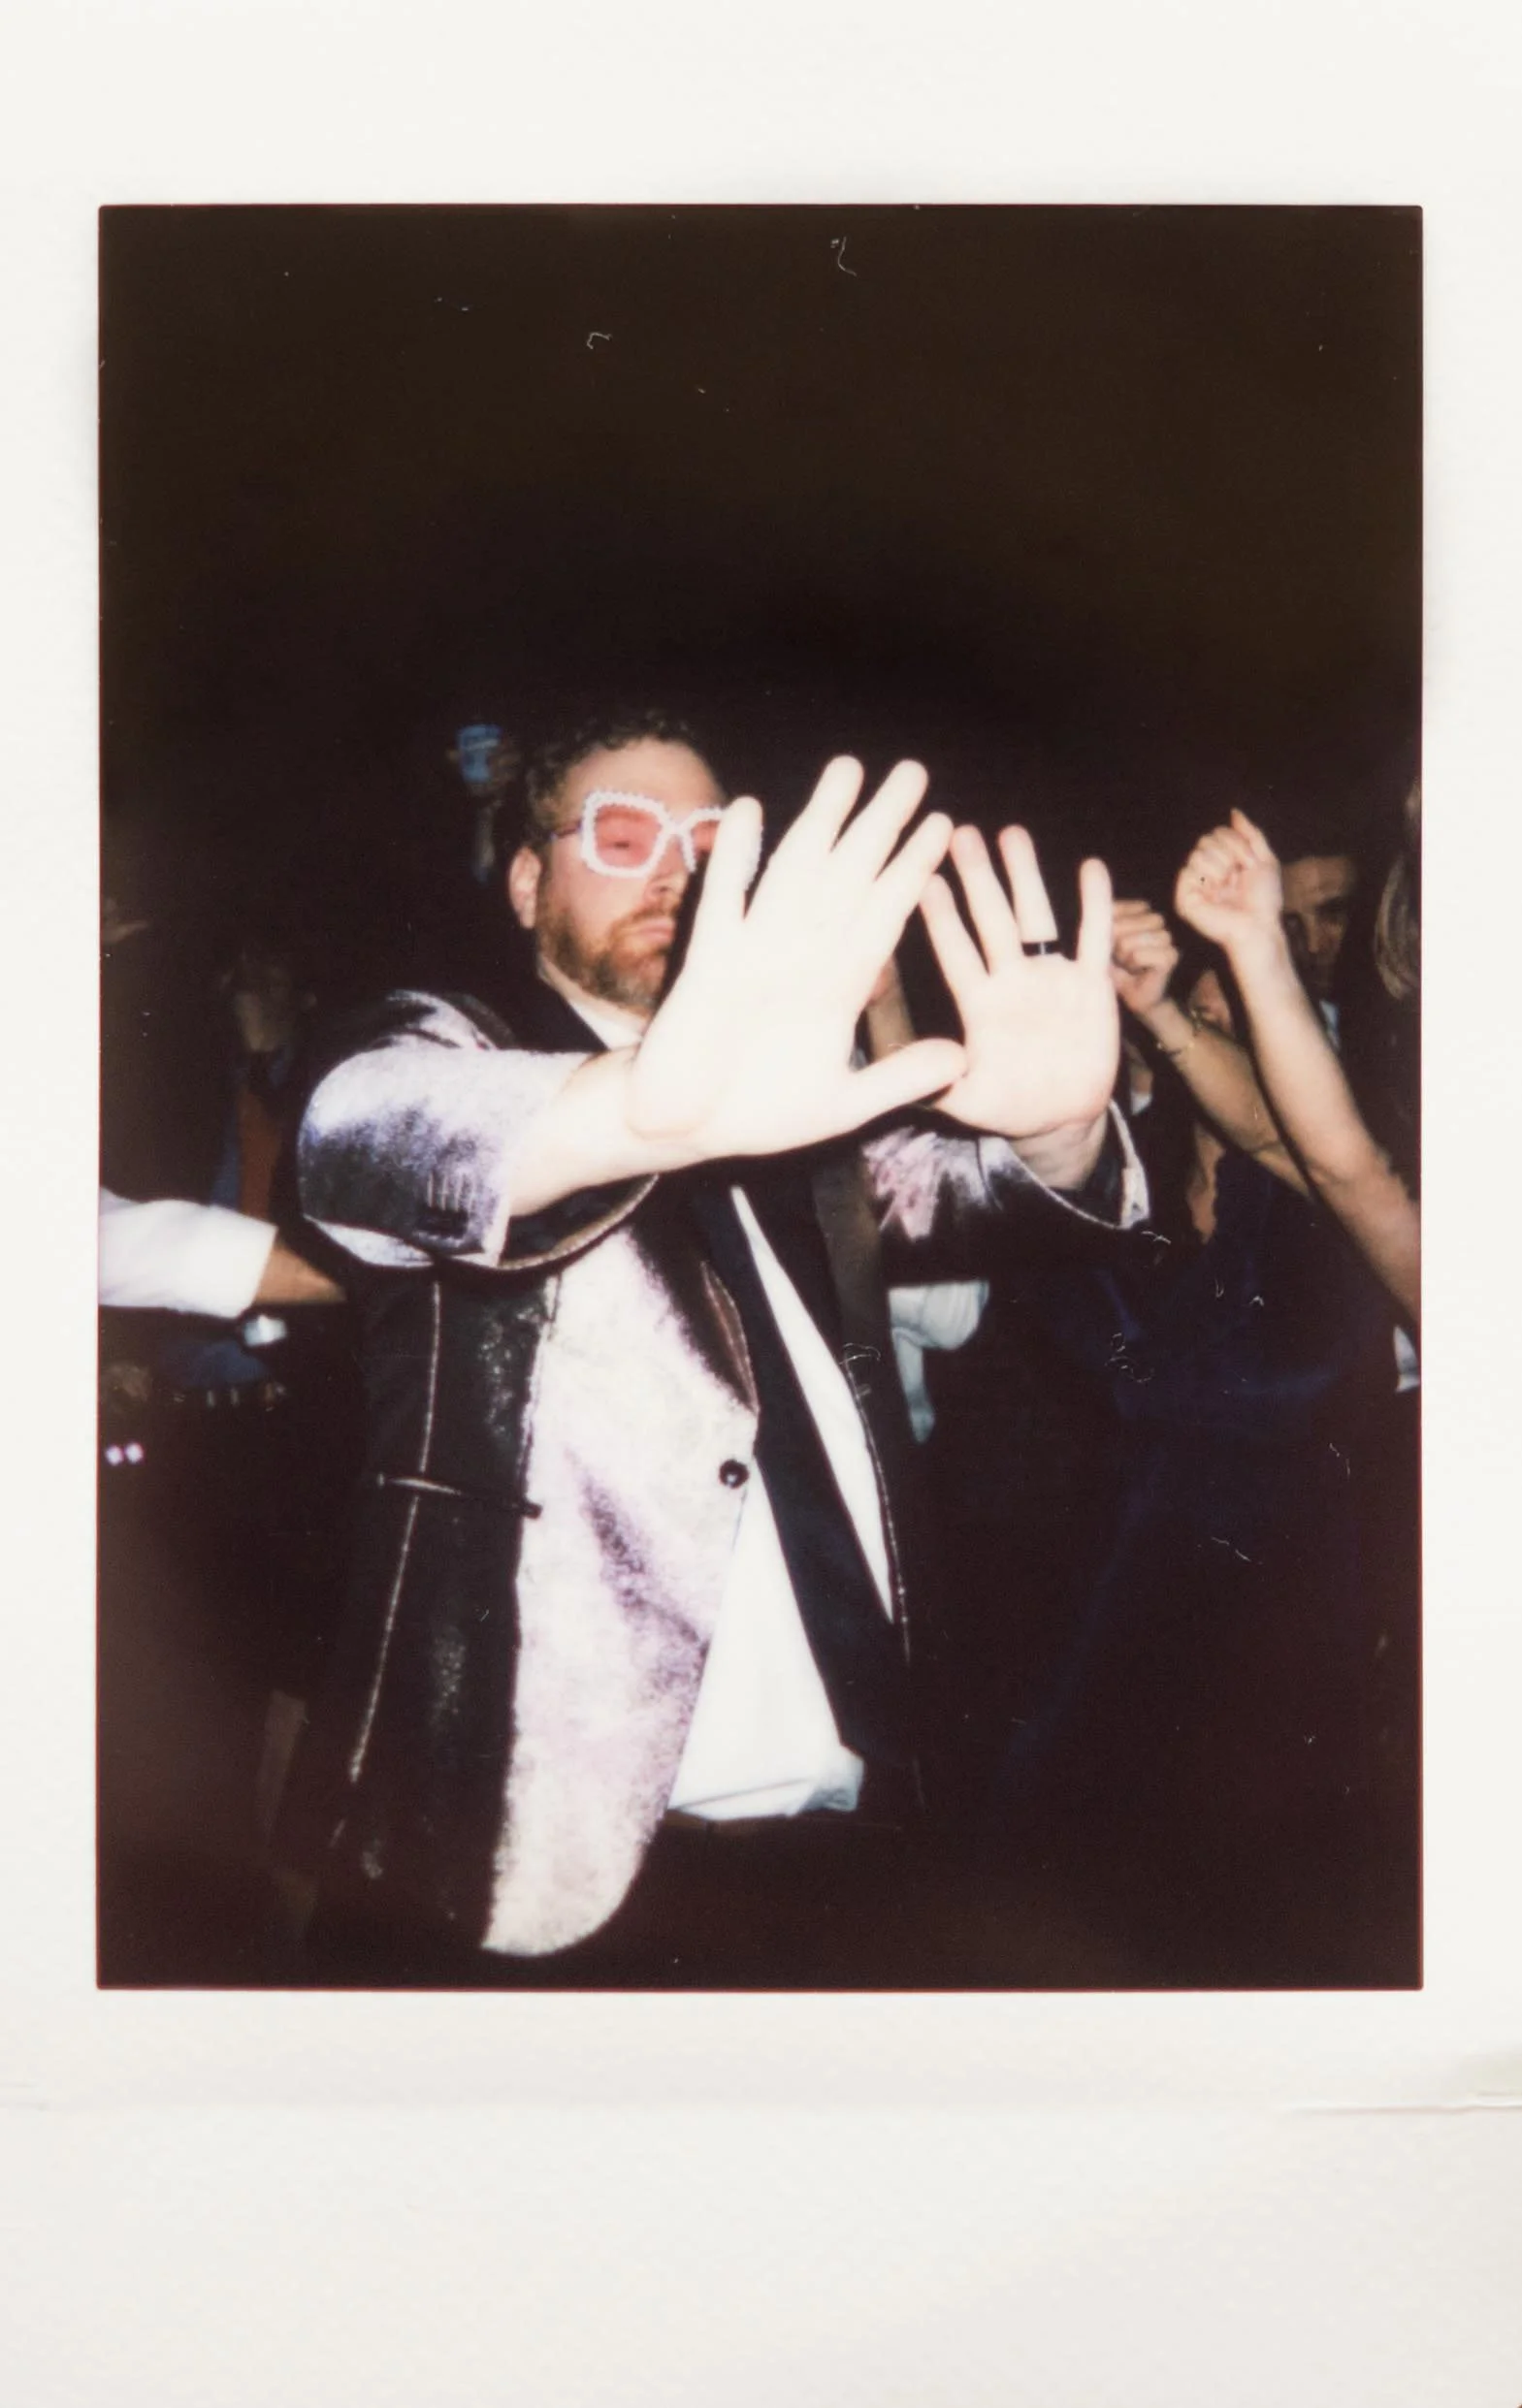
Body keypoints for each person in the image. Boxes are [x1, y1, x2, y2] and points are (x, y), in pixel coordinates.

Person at [279, 710, 1147, 1986]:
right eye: (622, 834)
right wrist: (641, 1108)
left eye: (713, 837)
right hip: (541, 1875)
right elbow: (367, 1136)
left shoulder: (795, 1100)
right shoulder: (451, 1046)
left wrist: (1067, 1124)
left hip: (866, 1826)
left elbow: (981, 1190)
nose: (675, 869)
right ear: (529, 880)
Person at [1175, 809, 1418, 1326]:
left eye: (1335, 913)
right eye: (1291, 923)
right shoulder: (1266, 1028)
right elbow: (1328, 1164)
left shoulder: (1416, 1047)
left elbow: (1349, 1173)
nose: (1312, 945)